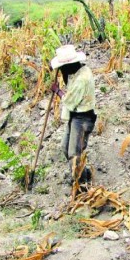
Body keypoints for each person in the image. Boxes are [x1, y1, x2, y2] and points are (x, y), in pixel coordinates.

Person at [50, 45, 97, 185]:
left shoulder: (82, 79)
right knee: (65, 148)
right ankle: (84, 173)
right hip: (75, 115)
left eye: (64, 67)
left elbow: (70, 100)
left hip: (83, 117)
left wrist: (57, 90)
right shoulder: (77, 71)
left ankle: (81, 186)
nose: (63, 70)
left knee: (74, 154)